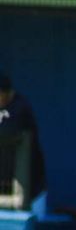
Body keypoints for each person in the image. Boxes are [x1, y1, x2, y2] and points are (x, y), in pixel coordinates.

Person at [0, 73, 47, 206]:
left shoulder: (20, 106)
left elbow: (9, 130)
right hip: (5, 188)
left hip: (31, 190)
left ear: (8, 93)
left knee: (30, 217)